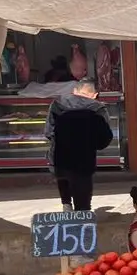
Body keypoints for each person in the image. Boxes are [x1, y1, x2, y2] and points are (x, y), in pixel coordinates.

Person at [44, 79, 113, 212]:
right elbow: (105, 137)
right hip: (84, 160)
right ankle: (82, 222)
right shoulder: (98, 108)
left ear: (75, 91)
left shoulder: (57, 104)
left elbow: (48, 132)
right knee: (83, 201)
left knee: (63, 178)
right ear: (94, 94)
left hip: (60, 158)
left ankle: (66, 204)